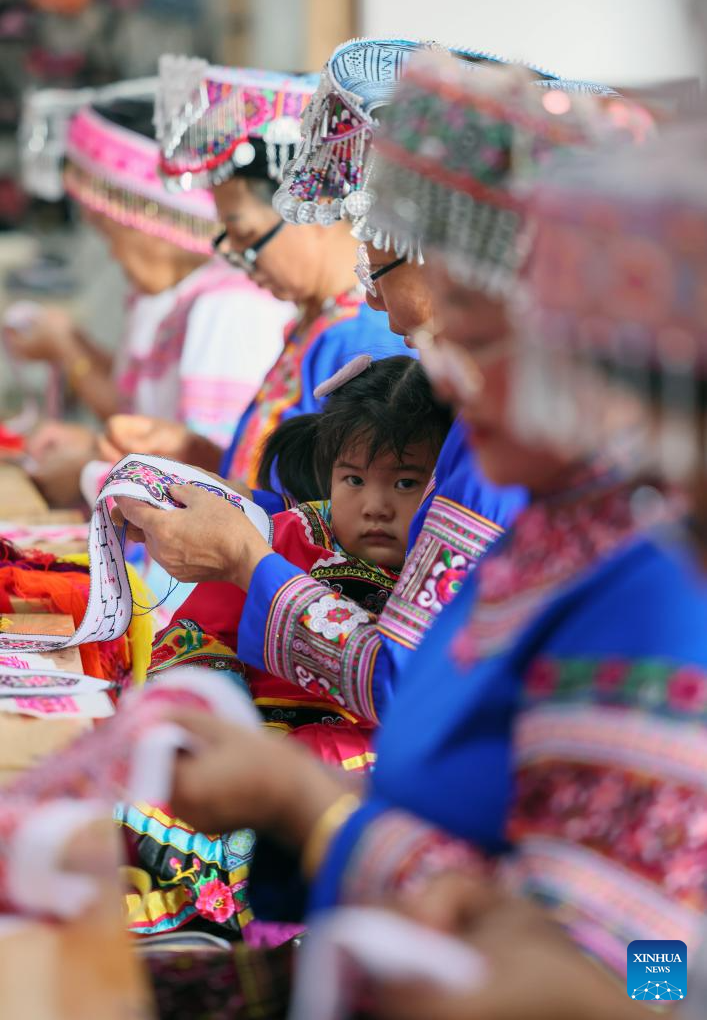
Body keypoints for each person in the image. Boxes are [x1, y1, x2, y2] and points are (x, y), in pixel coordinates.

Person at [112, 54, 687, 967]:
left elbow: (649, 975)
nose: (439, 368)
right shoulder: (555, 536)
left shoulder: (652, 588)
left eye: (478, 331)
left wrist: (302, 807)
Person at [118, 355, 452, 938]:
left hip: (354, 762)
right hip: (249, 736)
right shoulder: (291, 537)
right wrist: (216, 705)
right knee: (129, 790)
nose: (374, 504)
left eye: (405, 482)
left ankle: (221, 904)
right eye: (353, 480)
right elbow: (201, 635)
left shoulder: (450, 569)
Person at [101, 59, 407, 500]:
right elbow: (287, 480)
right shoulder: (318, 321)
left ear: (312, 206)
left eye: (247, 236)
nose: (243, 261)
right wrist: (195, 452)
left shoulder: (362, 336)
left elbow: (338, 514)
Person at [6, 93, 290, 506]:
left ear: (155, 219)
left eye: (112, 233)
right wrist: (91, 443)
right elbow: (144, 420)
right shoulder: (176, 299)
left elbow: (209, 482)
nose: (112, 254)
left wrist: (88, 465)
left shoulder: (231, 310)